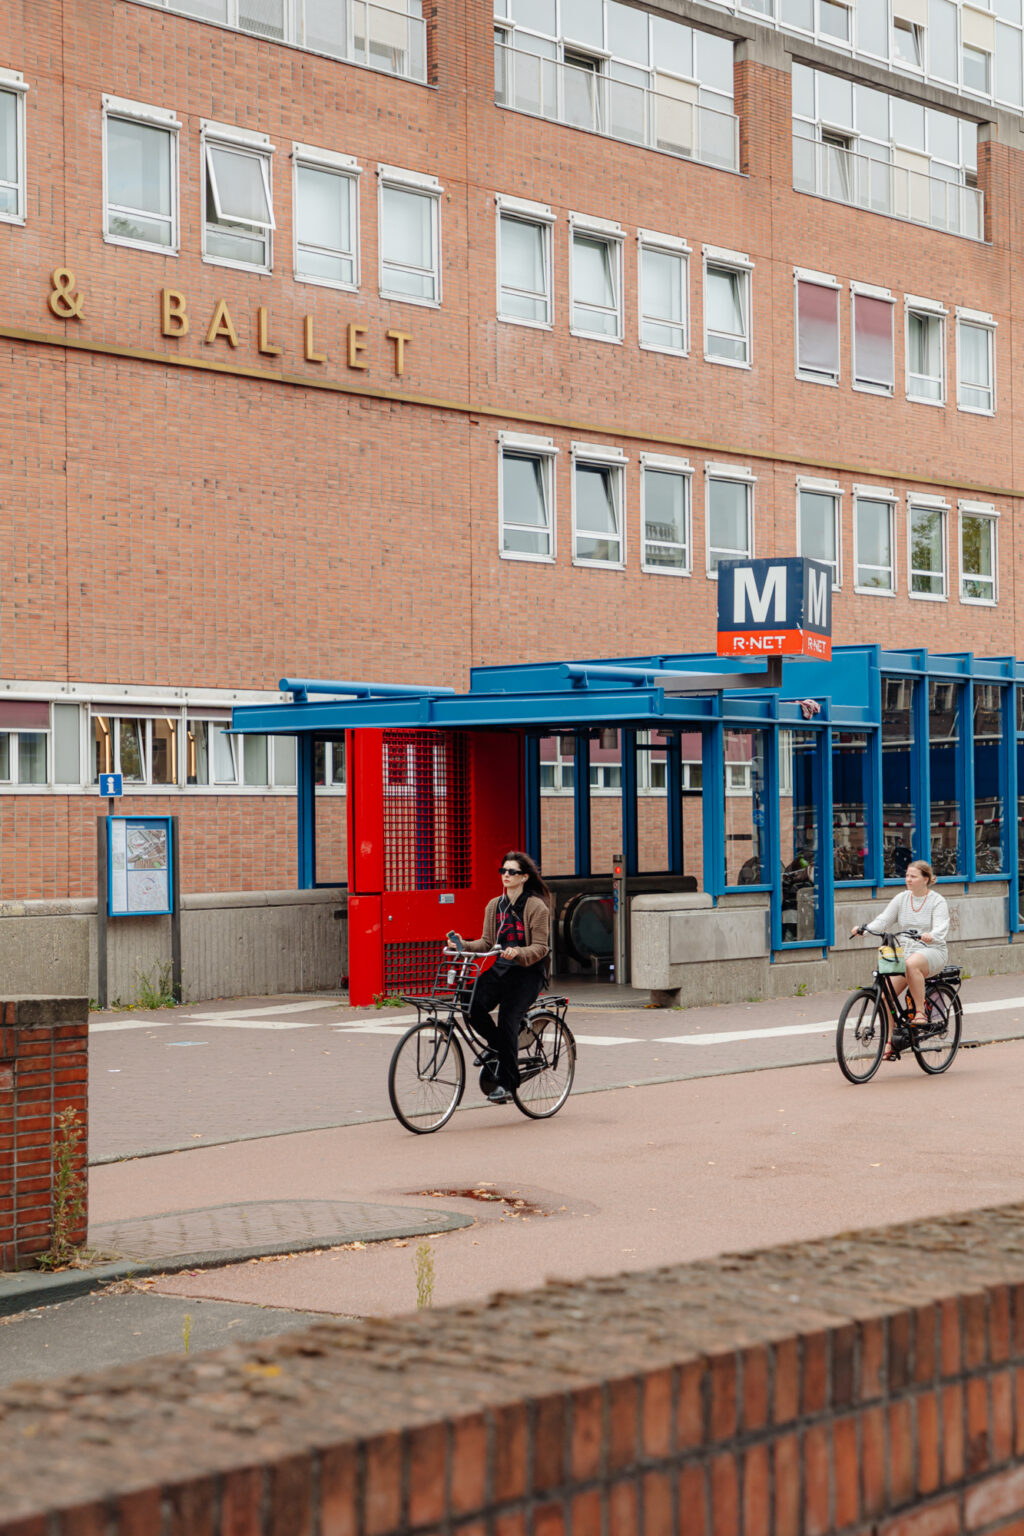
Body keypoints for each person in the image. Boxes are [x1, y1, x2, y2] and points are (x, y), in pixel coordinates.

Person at [447, 851, 551, 1104]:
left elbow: (541, 947)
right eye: (503, 871)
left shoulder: (536, 907)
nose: (506, 875)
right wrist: (463, 944)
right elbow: (487, 941)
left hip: (529, 972)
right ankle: (500, 1048)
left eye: (512, 872)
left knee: (508, 1017)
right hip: (502, 968)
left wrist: (518, 951)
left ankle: (507, 1083)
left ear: (524, 877)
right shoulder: (495, 905)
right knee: (470, 1004)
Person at [850, 859, 949, 1052]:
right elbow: (884, 919)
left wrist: (931, 935)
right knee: (886, 995)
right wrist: (865, 929)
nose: (908, 880)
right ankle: (889, 1042)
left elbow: (941, 926)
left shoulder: (937, 901)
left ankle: (920, 1012)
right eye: (907, 876)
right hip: (906, 953)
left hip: (933, 951)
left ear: (926, 879)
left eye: (913, 876)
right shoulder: (902, 898)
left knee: (912, 964)